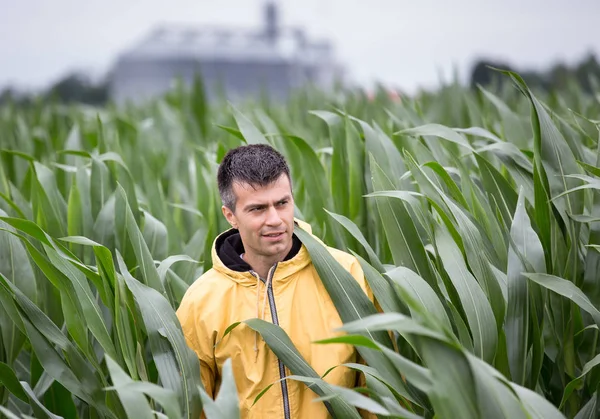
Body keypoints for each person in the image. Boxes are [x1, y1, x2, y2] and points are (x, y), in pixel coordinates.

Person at [176, 144, 376, 418]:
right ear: (230, 215)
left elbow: (377, 390)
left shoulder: (345, 275)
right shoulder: (201, 301)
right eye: (257, 209)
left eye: (282, 203)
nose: (275, 220)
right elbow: (193, 407)